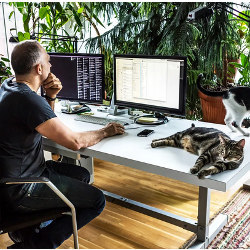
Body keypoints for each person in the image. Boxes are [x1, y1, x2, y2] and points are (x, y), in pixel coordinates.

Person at [0, 40, 125, 248]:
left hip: (15, 178)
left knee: (83, 175)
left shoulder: (9, 85)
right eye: (49, 61)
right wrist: (106, 130)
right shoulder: (28, 100)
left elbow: (42, 123)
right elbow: (75, 142)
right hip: (23, 188)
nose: (51, 66)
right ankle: (38, 244)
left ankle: (31, 230)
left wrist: (50, 96)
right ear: (39, 68)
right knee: (97, 200)